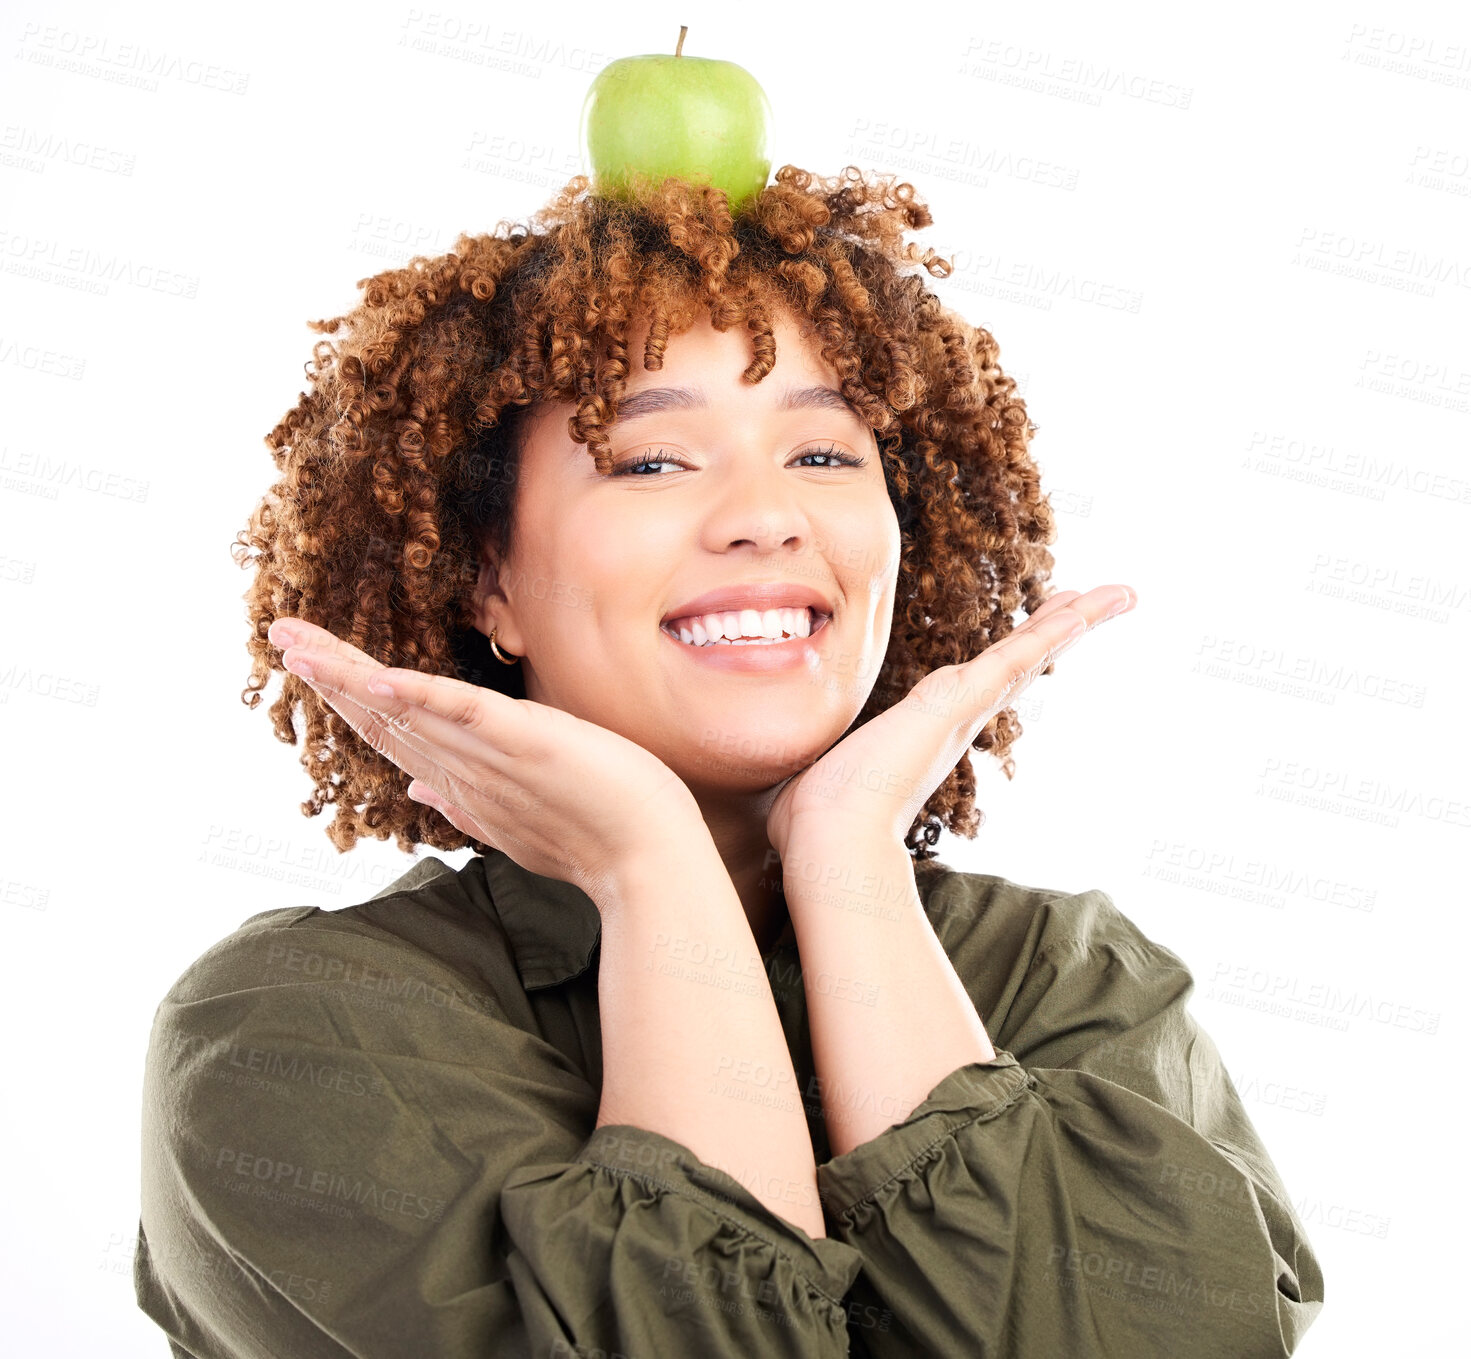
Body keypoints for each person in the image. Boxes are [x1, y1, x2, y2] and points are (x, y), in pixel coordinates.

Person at [133, 166, 1324, 1357]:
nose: (767, 515)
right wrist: (654, 872)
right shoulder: (298, 1032)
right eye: (651, 461)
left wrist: (852, 861)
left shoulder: (1064, 982)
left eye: (822, 454)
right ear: (488, 582)